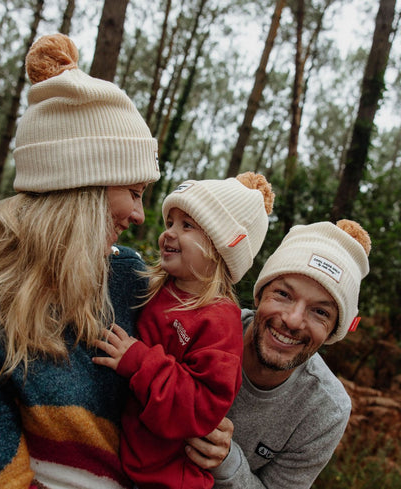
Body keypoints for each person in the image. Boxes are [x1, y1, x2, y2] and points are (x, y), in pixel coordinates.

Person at [0, 33, 160, 489]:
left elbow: (210, 344)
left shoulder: (130, 278)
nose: (141, 216)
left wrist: (216, 437)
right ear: (83, 190)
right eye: (135, 193)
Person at [92, 172, 275, 489]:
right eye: (170, 223)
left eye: (187, 225)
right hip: (127, 460)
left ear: (220, 249)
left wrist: (139, 362)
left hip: (170, 479)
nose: (168, 234)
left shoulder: (219, 319)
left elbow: (203, 406)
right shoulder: (156, 289)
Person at [186, 219, 371, 489]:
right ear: (259, 296)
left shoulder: (325, 409)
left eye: (320, 312)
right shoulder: (202, 327)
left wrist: (227, 462)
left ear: (332, 332)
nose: (294, 320)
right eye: (283, 294)